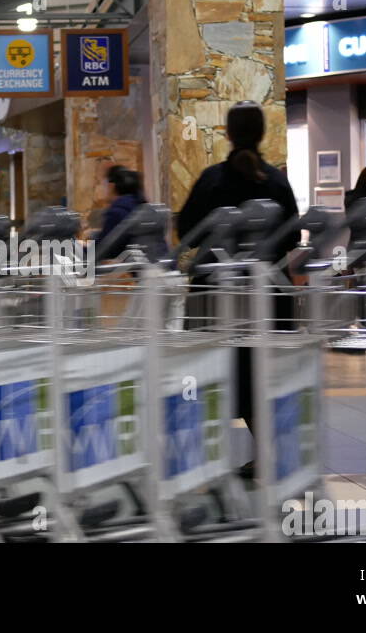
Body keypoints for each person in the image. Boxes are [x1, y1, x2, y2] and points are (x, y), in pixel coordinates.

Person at [178, 101, 300, 479]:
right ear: (262, 134)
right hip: (269, 295)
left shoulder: (213, 179)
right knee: (260, 372)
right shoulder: (277, 182)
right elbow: (293, 235)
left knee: (213, 372)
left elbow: (185, 231)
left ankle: (204, 457)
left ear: (227, 134)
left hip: (217, 297)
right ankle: (272, 449)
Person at [95, 165, 164, 259]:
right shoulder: (144, 207)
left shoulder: (116, 213)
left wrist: (75, 248)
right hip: (161, 268)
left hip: (133, 271)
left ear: (111, 186)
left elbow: (102, 250)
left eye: (104, 184)